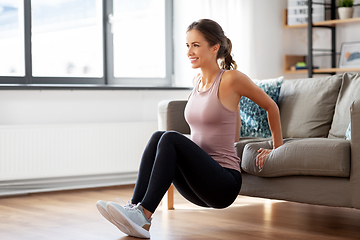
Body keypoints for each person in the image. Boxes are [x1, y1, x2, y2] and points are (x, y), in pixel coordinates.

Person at [96, 19, 283, 239]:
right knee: (159, 136)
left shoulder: (231, 79)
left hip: (223, 184)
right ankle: (136, 210)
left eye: (196, 45)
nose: (189, 52)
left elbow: (271, 106)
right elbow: (230, 125)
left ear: (215, 47)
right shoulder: (197, 82)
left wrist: (276, 147)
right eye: (187, 46)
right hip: (199, 184)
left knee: (170, 138)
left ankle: (144, 213)